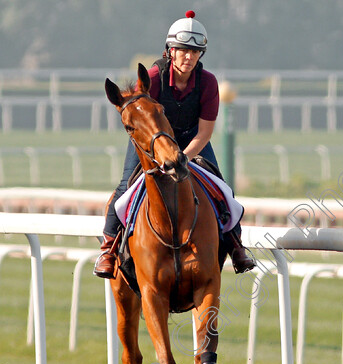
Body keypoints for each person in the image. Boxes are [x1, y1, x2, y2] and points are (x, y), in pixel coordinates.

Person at [94, 10, 255, 279]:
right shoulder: (154, 79)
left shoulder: (208, 83)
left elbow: (205, 132)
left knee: (221, 187)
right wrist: (160, 153)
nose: (189, 57)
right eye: (183, 51)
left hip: (193, 139)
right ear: (170, 50)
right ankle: (108, 249)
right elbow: (142, 119)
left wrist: (183, 157)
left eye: (195, 52)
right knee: (125, 187)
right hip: (154, 139)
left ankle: (236, 245)